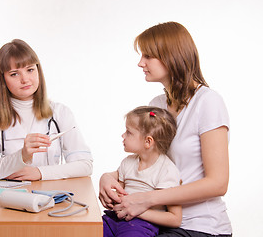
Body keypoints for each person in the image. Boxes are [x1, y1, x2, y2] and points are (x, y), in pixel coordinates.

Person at [99, 22, 232, 236]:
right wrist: (108, 177)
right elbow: (150, 163)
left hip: (198, 226)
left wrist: (146, 199)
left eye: (148, 56)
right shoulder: (157, 105)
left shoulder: (208, 102)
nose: (140, 63)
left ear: (172, 56)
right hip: (153, 221)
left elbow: (218, 183)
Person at [0, 39, 93, 181]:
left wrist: (40, 173)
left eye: (30, 70)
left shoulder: (61, 113)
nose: (25, 79)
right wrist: (22, 155)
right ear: (2, 79)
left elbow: (85, 165)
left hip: (52, 197)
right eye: (14, 74)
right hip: (10, 198)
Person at [103, 106, 182, 237]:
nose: (123, 135)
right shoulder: (127, 162)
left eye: (128, 132)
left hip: (141, 225)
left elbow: (174, 219)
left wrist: (137, 211)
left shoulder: (167, 170)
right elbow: (120, 194)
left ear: (148, 141)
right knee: (89, 229)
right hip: (115, 218)